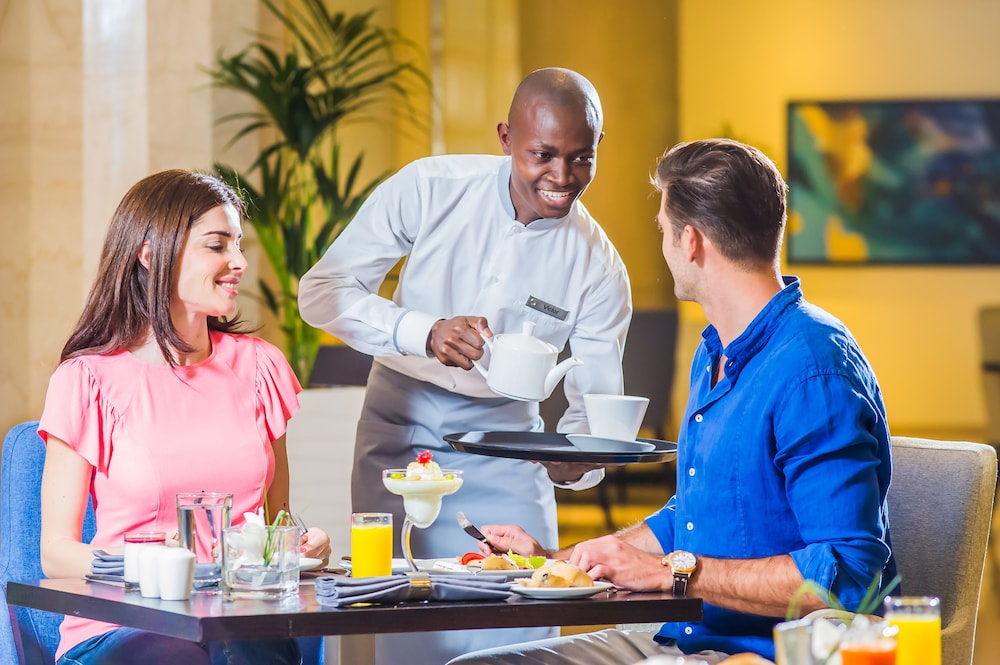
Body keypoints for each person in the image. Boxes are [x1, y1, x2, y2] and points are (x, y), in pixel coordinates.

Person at [448, 138, 896, 664]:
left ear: (690, 241)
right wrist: (553, 563)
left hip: (772, 648)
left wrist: (671, 573)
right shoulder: (714, 353)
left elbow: (847, 576)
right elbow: (695, 515)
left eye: (662, 230)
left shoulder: (813, 368)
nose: (663, 245)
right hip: (688, 636)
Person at [298, 67, 631, 663]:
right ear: (505, 138)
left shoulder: (600, 267)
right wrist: (422, 331)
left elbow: (593, 411)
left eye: (581, 158)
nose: (562, 177)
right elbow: (321, 292)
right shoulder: (430, 187)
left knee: (522, 626)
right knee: (404, 621)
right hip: (400, 435)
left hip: (510, 451)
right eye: (542, 155)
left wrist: (573, 466)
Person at [38, 169, 332, 665]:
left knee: (239, 640)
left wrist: (300, 544)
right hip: (124, 627)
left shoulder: (260, 367)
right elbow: (56, 553)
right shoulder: (86, 379)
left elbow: (276, 521)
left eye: (238, 244)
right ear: (151, 255)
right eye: (217, 245)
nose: (239, 262)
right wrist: (159, 562)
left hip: (241, 621)